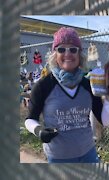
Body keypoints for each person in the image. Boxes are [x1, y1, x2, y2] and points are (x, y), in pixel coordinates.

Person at [24, 27, 103, 163]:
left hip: (88, 152)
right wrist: (39, 131)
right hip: (58, 157)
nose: (68, 54)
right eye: (61, 49)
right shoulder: (44, 85)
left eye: (73, 49)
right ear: (55, 54)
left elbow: (103, 117)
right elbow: (30, 119)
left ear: (79, 55)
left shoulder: (88, 84)